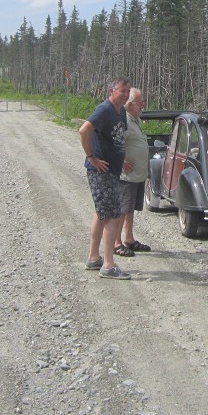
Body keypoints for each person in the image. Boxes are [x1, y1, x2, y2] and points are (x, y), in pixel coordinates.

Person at [79, 77, 133, 279]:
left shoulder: (121, 112)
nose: (126, 95)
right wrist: (91, 157)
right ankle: (108, 265)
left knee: (102, 214)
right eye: (122, 91)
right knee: (112, 214)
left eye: (128, 91)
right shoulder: (105, 109)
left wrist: (123, 158)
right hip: (101, 171)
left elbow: (116, 139)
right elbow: (84, 130)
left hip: (113, 170)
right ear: (112, 90)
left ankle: (94, 258)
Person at [115, 87, 153, 257]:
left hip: (137, 175)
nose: (143, 104)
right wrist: (121, 161)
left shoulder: (135, 119)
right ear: (130, 104)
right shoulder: (124, 121)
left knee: (130, 209)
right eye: (139, 102)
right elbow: (113, 142)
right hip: (126, 176)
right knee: (123, 208)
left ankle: (129, 239)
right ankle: (116, 243)